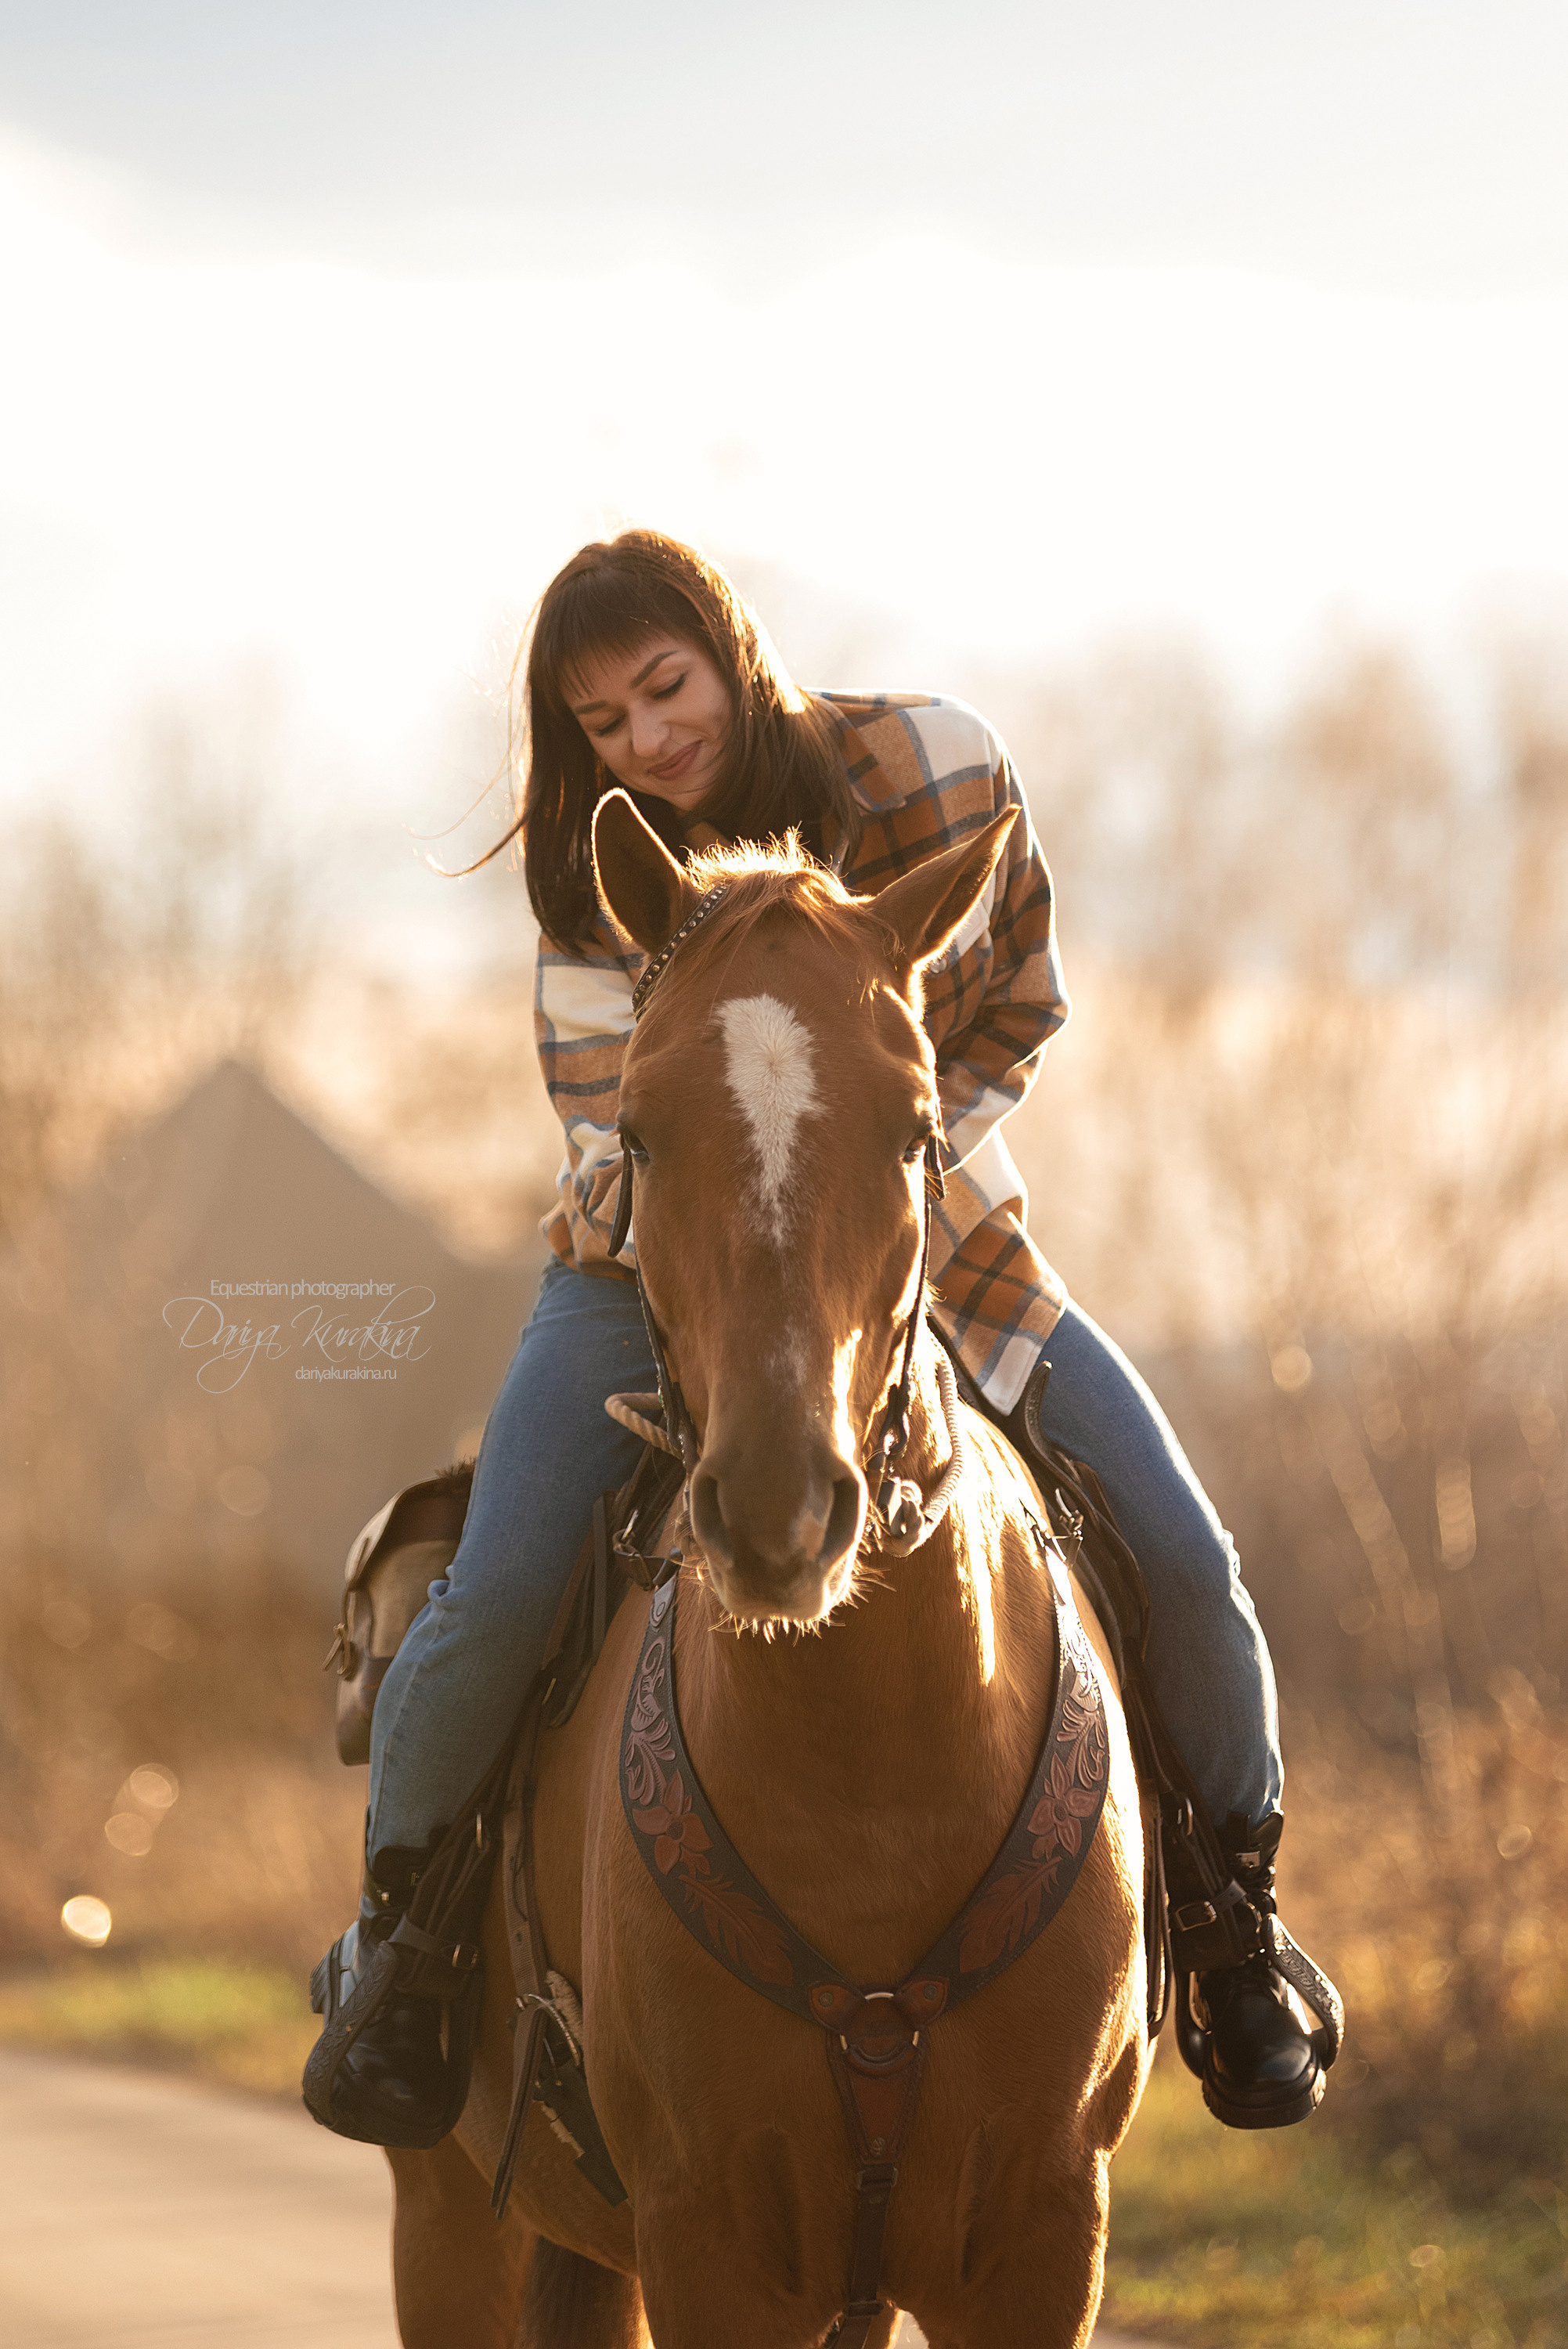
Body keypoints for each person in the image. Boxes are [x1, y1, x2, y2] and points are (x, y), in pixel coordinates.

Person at [308, 529, 1327, 2144]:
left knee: (1186, 1557)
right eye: (604, 722)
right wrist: (747, 1208)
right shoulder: (598, 879)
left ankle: (1234, 1927)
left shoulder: (931, 765)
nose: (649, 736)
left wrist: (881, 1155)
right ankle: (402, 1951)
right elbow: (602, 1133)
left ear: (729, 652)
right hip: (660, 1253)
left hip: (926, 1234)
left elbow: (1024, 1000)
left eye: (665, 685)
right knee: (496, 1588)